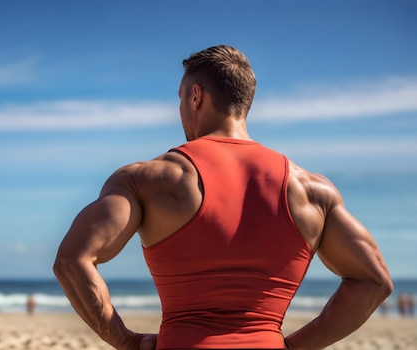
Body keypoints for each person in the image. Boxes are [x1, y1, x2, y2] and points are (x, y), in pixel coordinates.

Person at [53, 45, 393, 349]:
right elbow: (373, 280)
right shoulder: (311, 191)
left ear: (196, 97)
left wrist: (126, 342)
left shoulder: (150, 179)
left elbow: (72, 260)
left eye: (180, 98)